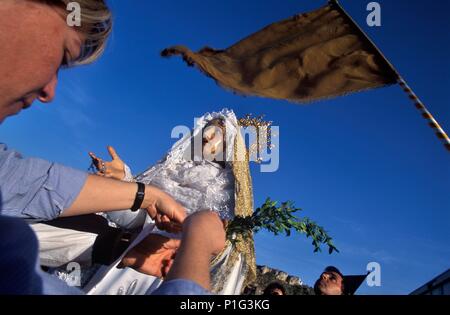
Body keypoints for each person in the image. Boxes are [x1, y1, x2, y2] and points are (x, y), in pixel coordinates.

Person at [0, 0, 225, 295]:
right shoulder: (174, 167)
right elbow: (25, 185)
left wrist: (144, 197)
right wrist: (195, 241)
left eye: (217, 139)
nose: (50, 91)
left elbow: (23, 182)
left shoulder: (219, 192)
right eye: (64, 53)